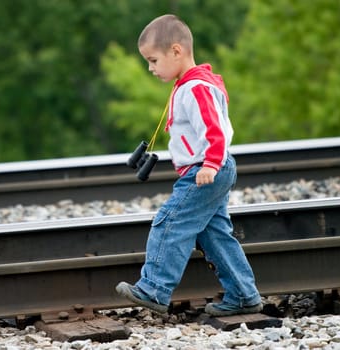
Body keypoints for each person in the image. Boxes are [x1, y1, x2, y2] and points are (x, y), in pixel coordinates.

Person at [116, 14, 262, 316]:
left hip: (206, 170)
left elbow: (216, 130)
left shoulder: (196, 88)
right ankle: (244, 294)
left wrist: (209, 163)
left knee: (171, 221)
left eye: (153, 60)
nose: (150, 68)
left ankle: (154, 289)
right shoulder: (192, 84)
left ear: (176, 51)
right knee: (214, 235)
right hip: (211, 169)